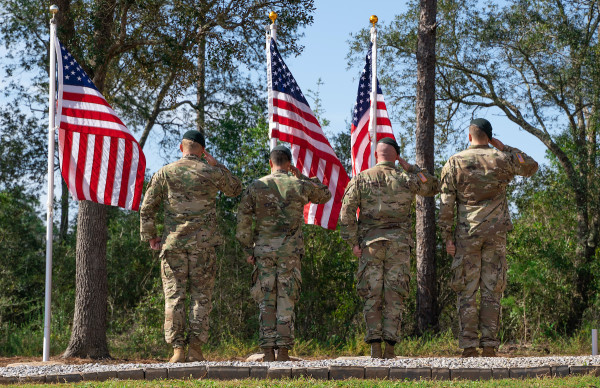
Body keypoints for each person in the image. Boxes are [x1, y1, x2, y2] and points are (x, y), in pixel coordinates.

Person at [139, 130, 242, 363]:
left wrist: (151, 237)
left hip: (173, 245)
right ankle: (195, 349)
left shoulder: (165, 173)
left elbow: (147, 208)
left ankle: (177, 350)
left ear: (180, 147)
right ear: (202, 150)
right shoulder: (211, 172)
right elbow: (236, 189)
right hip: (203, 247)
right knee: (201, 297)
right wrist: (218, 165)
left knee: (174, 297)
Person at [439, 118, 538, 358]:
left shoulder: (454, 162)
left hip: (467, 233)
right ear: (490, 137)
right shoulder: (502, 159)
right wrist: (504, 148)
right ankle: (490, 346)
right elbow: (531, 166)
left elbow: (446, 205)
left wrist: (447, 237)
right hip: (496, 233)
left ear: (469, 136)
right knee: (493, 289)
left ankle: (469, 346)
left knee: (467, 289)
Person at [339, 138, 438, 359]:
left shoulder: (361, 179)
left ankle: (375, 345)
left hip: (370, 246)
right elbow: (432, 185)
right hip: (399, 246)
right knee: (395, 294)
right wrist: (410, 166)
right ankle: (390, 347)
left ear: (376, 155)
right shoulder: (406, 178)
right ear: (396, 156)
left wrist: (353, 242)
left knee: (372, 293)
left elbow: (346, 213)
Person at [236, 145, 331, 362]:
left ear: (271, 163)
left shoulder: (256, 186)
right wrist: (303, 176)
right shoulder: (299, 185)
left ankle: (268, 350)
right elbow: (325, 194)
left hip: (263, 252)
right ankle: (284, 351)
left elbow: (242, 220)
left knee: (266, 299)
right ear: (289, 164)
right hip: (289, 252)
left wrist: (247, 249)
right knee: (286, 299)